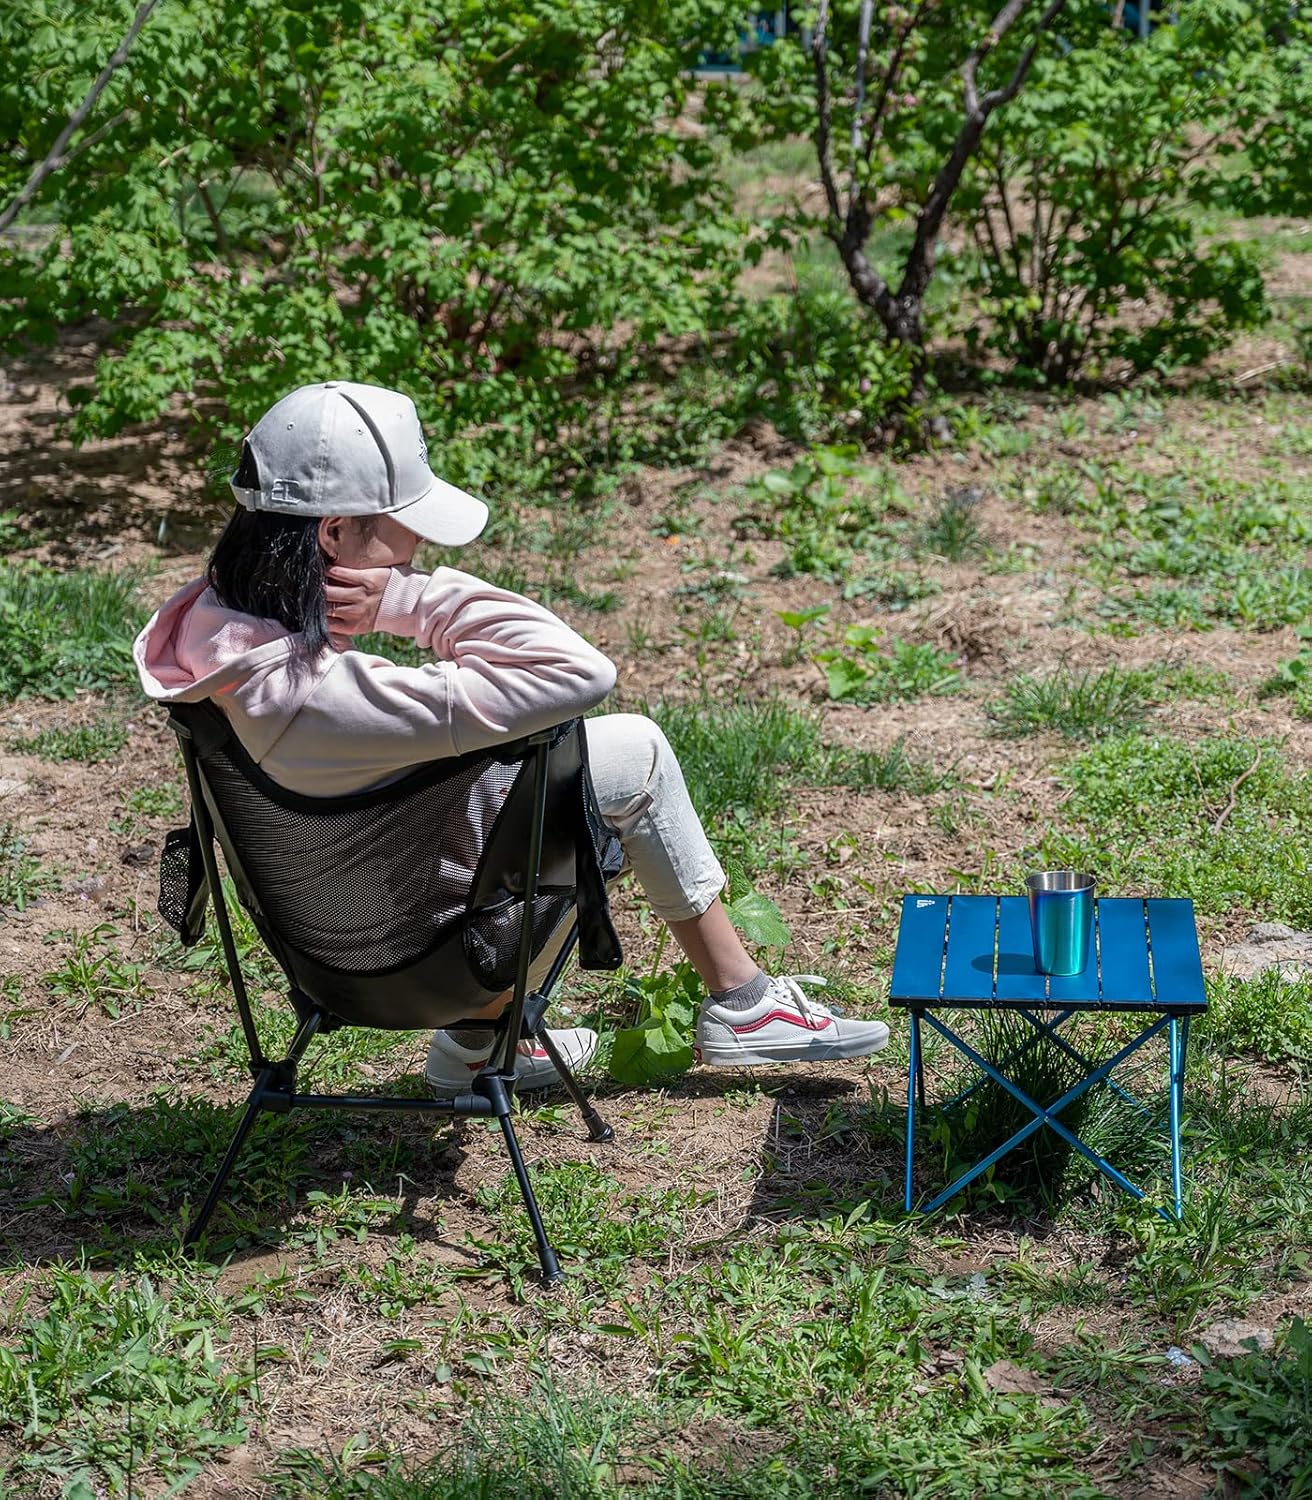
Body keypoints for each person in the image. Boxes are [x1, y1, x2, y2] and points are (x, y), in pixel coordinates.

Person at [134, 380, 890, 1093]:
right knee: (630, 754)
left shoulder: (214, 632)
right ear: (334, 534)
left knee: (564, 768)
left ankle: (486, 1042)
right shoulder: (323, 702)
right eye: (407, 530)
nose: (419, 551)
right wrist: (411, 601)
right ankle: (743, 1003)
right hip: (421, 957)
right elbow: (579, 670)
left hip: (337, 938)